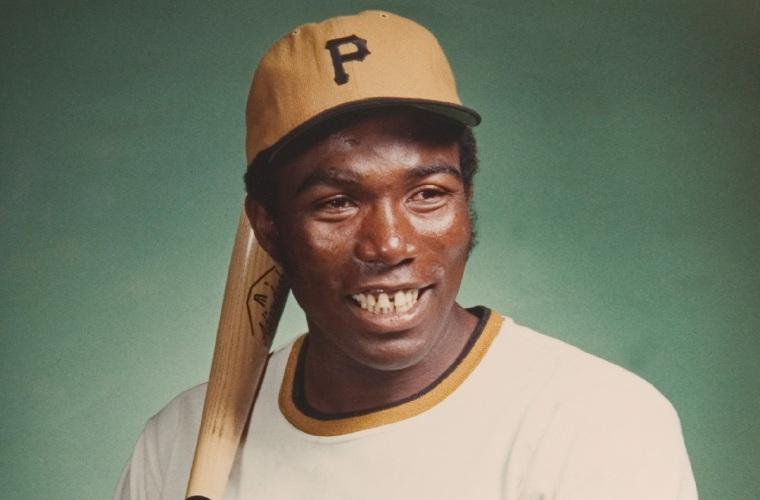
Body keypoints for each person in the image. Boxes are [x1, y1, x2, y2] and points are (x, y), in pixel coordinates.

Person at [115, 10, 697, 499]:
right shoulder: (175, 445)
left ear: (467, 201)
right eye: (337, 202)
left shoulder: (598, 423)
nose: (389, 244)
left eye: (428, 194)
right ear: (269, 227)